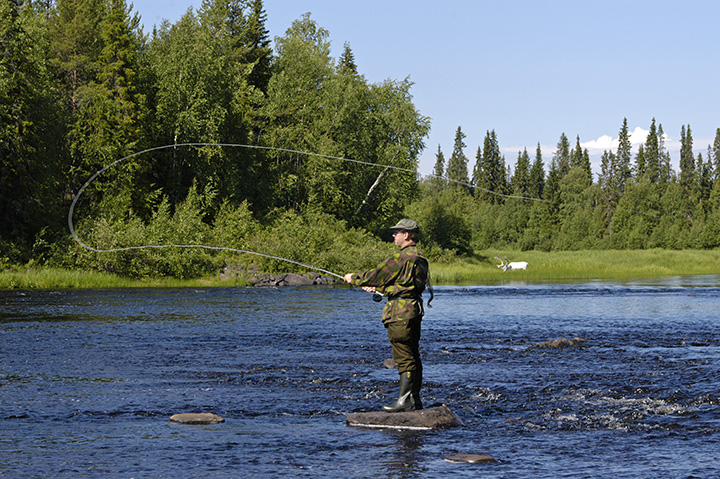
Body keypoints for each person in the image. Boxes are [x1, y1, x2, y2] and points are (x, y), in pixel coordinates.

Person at [343, 218, 431, 412]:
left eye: (397, 232)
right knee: (413, 355)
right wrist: (379, 288)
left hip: (400, 314)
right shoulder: (418, 256)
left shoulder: (402, 257)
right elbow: (406, 285)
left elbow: (375, 274)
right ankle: (414, 399)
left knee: (404, 356)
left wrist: (354, 279)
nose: (394, 235)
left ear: (406, 235)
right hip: (413, 310)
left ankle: (405, 401)